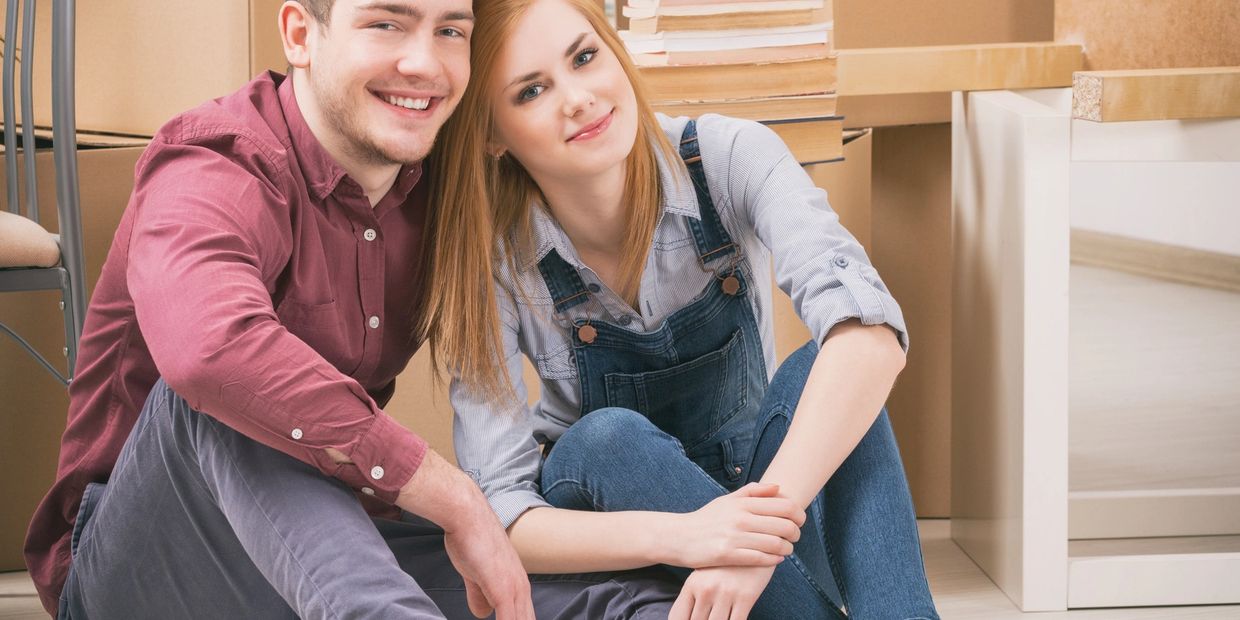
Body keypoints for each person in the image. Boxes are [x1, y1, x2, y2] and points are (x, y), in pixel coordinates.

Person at [24, 0, 678, 618]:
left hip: (321, 551)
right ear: (301, 35)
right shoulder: (215, 158)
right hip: (142, 573)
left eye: (451, 30)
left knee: (613, 600)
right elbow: (207, 351)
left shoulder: (441, 179)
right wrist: (454, 497)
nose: (424, 62)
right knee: (233, 387)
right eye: (387, 24)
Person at [435, 0, 942, 618]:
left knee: (828, 359)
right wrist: (690, 534)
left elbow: (872, 335)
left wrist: (742, 546)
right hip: (623, 532)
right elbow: (506, 518)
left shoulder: (729, 156)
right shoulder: (492, 259)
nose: (578, 98)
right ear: (491, 134)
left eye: (585, 57)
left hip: (762, 502)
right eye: (532, 90)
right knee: (603, 439)